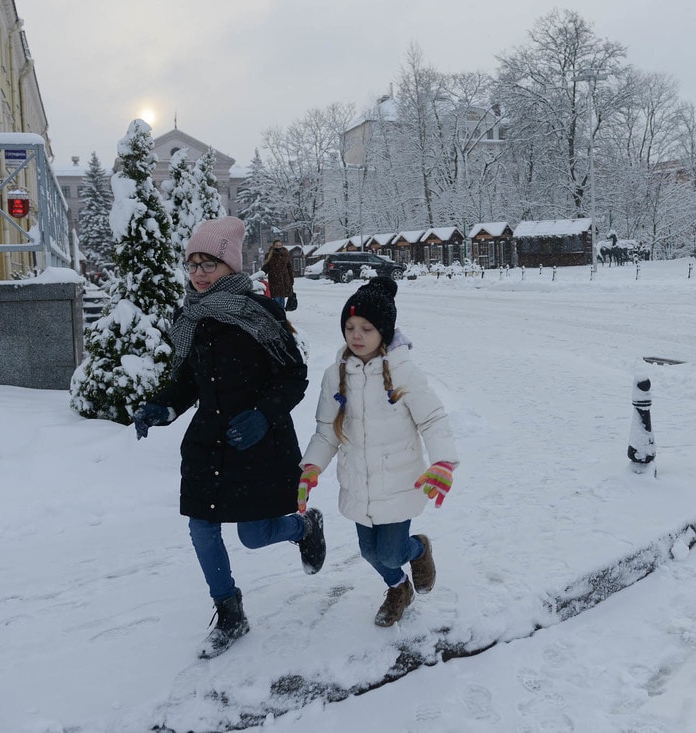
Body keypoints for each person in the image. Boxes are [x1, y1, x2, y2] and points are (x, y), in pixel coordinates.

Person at [132, 216, 326, 660]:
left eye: (209, 264)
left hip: (258, 443)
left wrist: (263, 413)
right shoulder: (190, 317)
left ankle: (304, 525)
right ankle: (230, 611)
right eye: (192, 264)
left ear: (230, 267)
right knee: (202, 527)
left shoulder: (260, 315)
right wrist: (163, 407)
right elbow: (187, 381)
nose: (198, 273)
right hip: (209, 441)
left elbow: (293, 375)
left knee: (255, 535)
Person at [301, 277, 459, 627]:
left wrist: (443, 462)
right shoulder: (334, 375)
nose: (356, 335)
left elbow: (432, 419)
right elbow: (327, 430)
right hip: (358, 482)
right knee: (369, 552)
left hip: (399, 481)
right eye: (349, 327)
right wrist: (312, 465)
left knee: (390, 551)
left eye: (366, 328)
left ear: (384, 331)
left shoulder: (403, 370)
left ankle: (418, 549)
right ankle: (398, 586)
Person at [263, 239, 294, 310]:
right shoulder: (269, 255)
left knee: (282, 300)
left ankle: (281, 316)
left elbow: (289, 268)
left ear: (282, 246)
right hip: (274, 281)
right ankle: (277, 316)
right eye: (276, 245)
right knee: (276, 300)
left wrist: (291, 281)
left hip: (284, 281)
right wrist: (261, 274)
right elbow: (266, 267)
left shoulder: (285, 255)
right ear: (273, 246)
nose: (278, 247)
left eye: (280, 245)